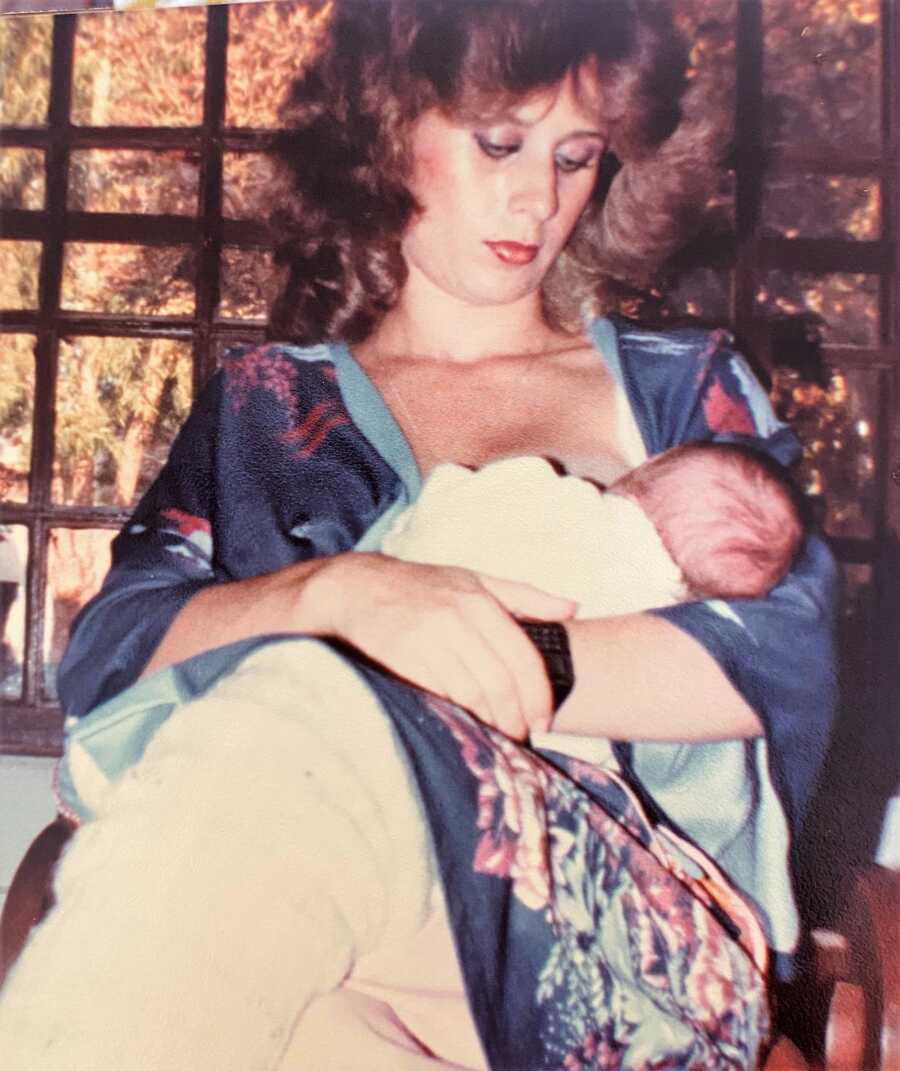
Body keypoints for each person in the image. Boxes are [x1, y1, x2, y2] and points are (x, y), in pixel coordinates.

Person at [0, 2, 838, 1069]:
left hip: (632, 958)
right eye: (500, 143)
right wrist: (338, 598)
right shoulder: (267, 410)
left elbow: (777, 658)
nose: (540, 196)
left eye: (575, 157)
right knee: (297, 1027)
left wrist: (433, 666)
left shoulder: (678, 392)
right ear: (390, 126)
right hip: (365, 949)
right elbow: (113, 657)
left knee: (309, 721)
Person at [381, 441, 805, 765]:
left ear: (651, 466)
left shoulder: (551, 492)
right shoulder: (650, 614)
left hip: (403, 587)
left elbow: (451, 489)